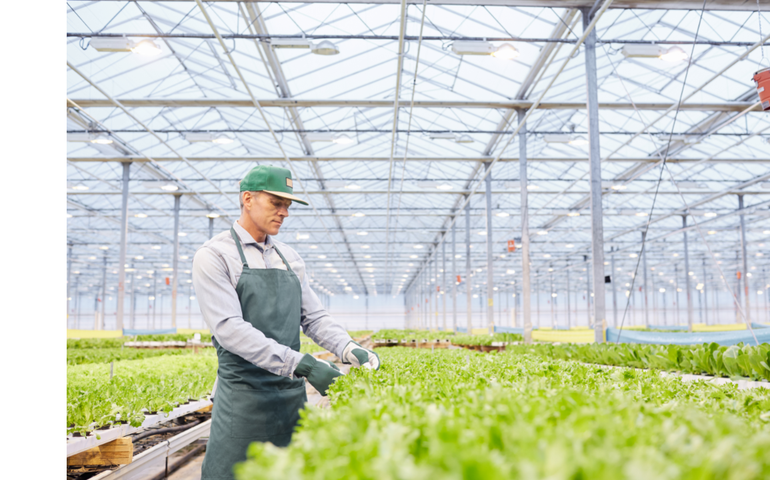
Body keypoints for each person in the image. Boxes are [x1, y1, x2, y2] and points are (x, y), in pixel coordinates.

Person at [192, 165, 380, 480]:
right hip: (244, 401)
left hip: (291, 399)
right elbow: (229, 330)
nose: (284, 212)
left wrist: (349, 348)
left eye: (288, 205)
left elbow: (313, 317)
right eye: (276, 203)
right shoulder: (215, 256)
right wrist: (304, 364)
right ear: (247, 199)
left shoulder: (289, 258)